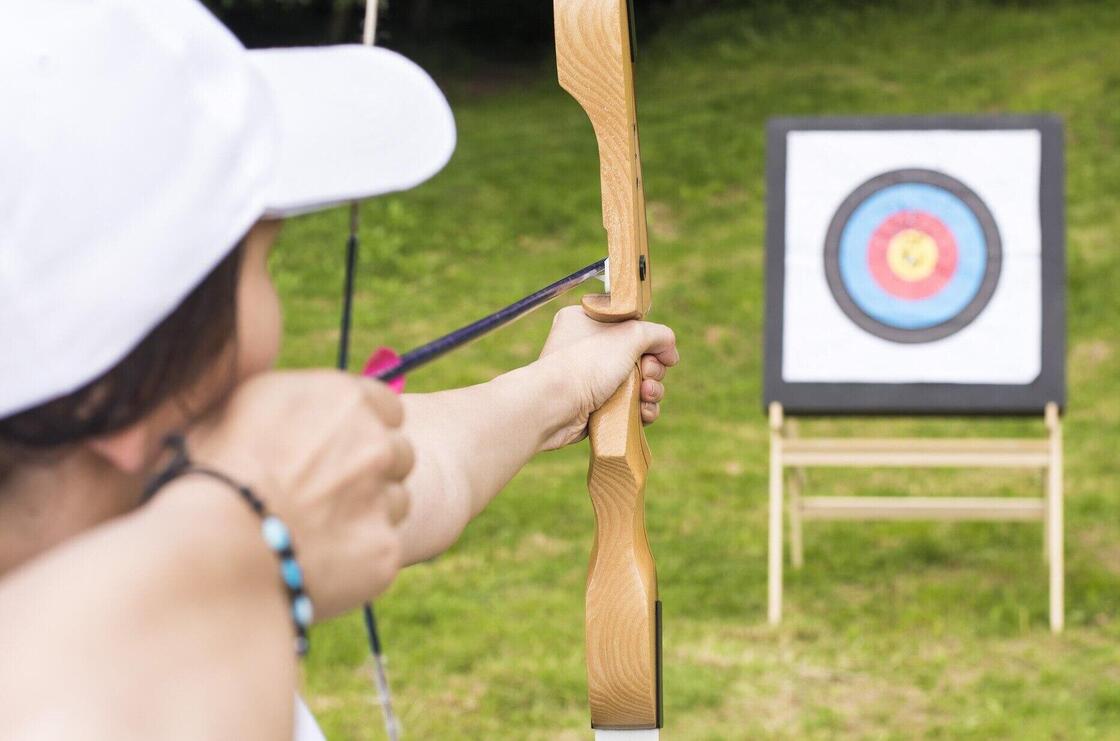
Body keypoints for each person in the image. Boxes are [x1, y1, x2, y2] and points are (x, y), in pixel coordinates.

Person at [0, 1, 679, 738]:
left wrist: (560, 388)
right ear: (126, 384)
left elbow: (396, 474)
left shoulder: (166, 504)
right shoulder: (125, 658)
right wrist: (251, 540)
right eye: (263, 259)